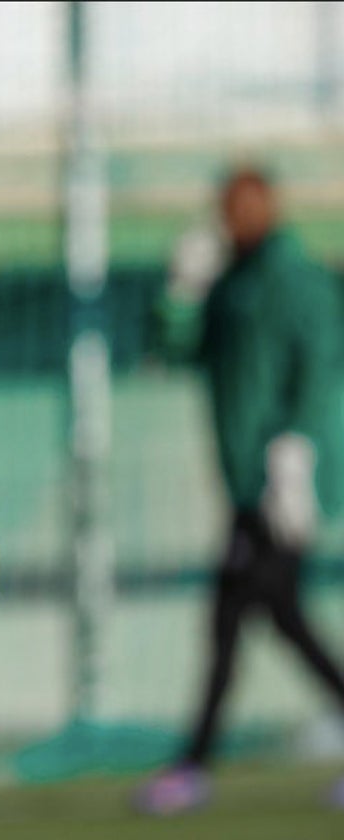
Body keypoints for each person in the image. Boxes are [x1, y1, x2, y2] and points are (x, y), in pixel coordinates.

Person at [135, 165, 344, 815]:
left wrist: (298, 454)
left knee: (239, 622)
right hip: (247, 488)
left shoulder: (298, 280)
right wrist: (181, 291)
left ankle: (192, 766)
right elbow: (177, 348)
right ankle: (192, 766)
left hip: (284, 487)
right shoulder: (230, 284)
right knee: (277, 620)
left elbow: (320, 364)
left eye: (242, 206)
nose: (232, 219)